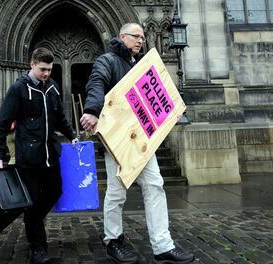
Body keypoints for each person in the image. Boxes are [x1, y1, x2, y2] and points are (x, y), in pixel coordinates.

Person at [80, 23, 195, 264]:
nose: (141, 41)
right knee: (116, 192)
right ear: (122, 37)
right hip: (117, 141)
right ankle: (113, 240)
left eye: (143, 37)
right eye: (136, 36)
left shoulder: (142, 66)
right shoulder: (107, 61)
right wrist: (91, 109)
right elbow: (96, 83)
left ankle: (163, 245)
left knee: (155, 184)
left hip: (143, 142)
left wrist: (168, 113)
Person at [0, 47, 77, 264]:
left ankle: (32, 218)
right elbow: (2, 123)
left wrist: (71, 135)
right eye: (42, 69)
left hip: (51, 155)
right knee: (32, 201)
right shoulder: (18, 89)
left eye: (49, 69)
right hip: (28, 158)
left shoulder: (52, 87)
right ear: (32, 64)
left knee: (55, 191)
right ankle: (38, 247)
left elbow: (59, 117)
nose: (46, 74)